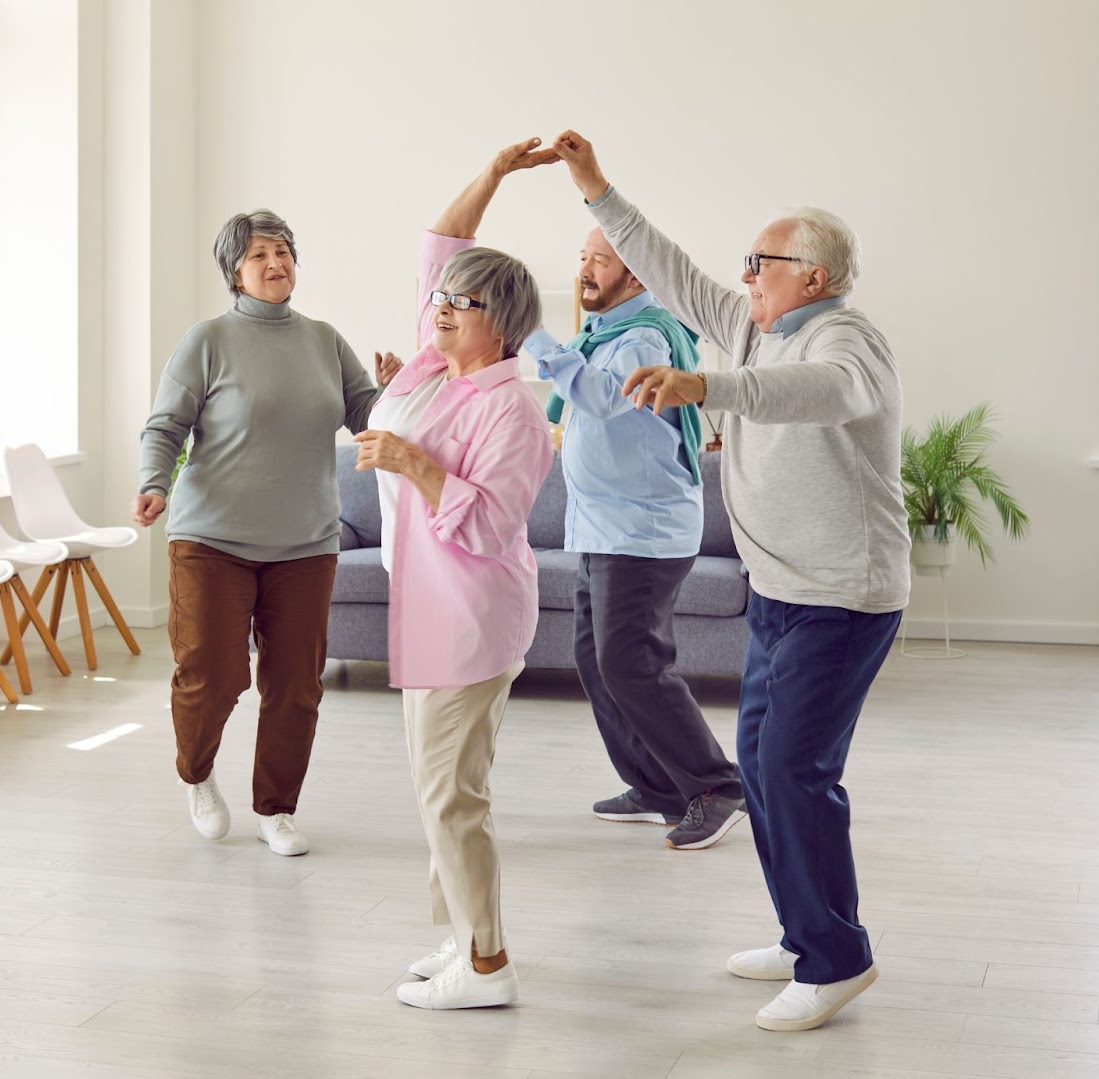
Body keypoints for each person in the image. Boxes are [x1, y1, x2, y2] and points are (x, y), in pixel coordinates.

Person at [550, 131, 909, 1032]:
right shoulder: (754, 325)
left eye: (762, 262)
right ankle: (804, 936)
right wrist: (597, 188)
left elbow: (822, 395)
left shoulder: (847, 341)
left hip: (844, 593)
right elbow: (667, 269)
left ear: (813, 276)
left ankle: (836, 959)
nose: (744, 275)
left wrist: (707, 386)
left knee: (793, 770)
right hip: (783, 591)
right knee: (757, 764)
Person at [357, 139, 554, 1010]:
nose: (438, 307)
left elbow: (492, 520)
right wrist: (498, 175)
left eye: (460, 303)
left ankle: (487, 965)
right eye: (439, 298)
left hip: (470, 612)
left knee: (452, 796)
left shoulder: (512, 406)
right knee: (438, 789)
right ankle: (462, 934)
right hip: (426, 605)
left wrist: (409, 461)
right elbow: (443, 240)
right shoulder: (438, 364)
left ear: (501, 322)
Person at [134, 210, 392, 858]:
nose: (275, 263)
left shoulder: (325, 340)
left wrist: (398, 390)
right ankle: (196, 773)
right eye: (258, 255)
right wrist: (154, 483)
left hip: (305, 540)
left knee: (296, 685)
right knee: (212, 676)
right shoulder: (208, 340)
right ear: (234, 272)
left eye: (282, 251)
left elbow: (370, 415)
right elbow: (165, 425)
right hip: (211, 537)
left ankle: (277, 807)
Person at [524, 224, 746, 850]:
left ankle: (716, 786)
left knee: (631, 664)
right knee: (598, 665)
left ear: (639, 275)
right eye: (583, 258)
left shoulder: (645, 336)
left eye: (601, 261)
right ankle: (655, 786)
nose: (586, 271)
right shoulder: (601, 334)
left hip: (642, 531)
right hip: (604, 527)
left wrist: (530, 335)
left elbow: (598, 398)